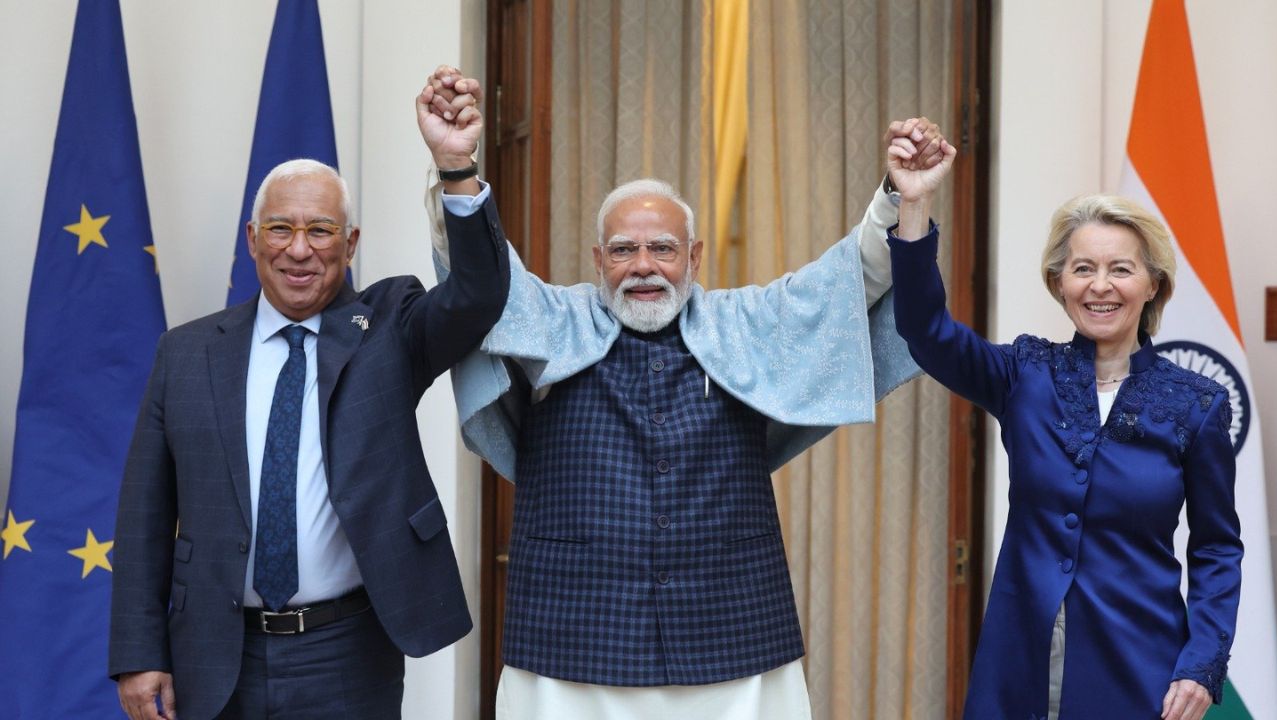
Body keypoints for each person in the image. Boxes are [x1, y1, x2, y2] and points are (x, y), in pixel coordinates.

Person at [425, 70, 946, 718]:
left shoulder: (748, 322)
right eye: (624, 250)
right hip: (573, 638)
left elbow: (850, 279)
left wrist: (900, 194)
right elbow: (481, 279)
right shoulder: (552, 318)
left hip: (731, 638)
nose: (643, 265)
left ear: (695, 257)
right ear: (597, 259)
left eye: (662, 248)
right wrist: (457, 167)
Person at [107, 68, 509, 720]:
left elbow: (479, 296)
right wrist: (138, 653)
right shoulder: (184, 353)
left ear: (350, 245)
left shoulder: (388, 328)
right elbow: (144, 516)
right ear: (253, 241)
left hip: (347, 649)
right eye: (280, 230)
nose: (300, 250)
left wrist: (455, 166)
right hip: (214, 650)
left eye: (321, 231)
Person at [884, 135, 1241, 719]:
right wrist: (915, 204)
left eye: (1120, 270)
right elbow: (925, 330)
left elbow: (1217, 547)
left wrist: (1203, 663)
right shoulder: (1024, 373)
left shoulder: (1196, 404)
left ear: (1153, 285)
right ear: (1059, 284)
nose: (1100, 285)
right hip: (1018, 661)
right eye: (1083, 269)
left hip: (1139, 665)